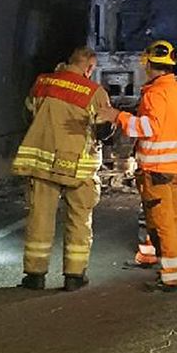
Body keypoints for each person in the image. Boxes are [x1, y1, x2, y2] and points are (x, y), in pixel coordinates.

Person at [98, 40, 177, 292]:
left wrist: (117, 116)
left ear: (148, 64)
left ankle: (171, 278)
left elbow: (148, 128)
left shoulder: (154, 94)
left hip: (157, 171)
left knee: (162, 223)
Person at [12, 47, 111, 291]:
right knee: (79, 219)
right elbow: (104, 130)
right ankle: (74, 277)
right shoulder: (94, 92)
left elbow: (27, 114)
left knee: (40, 218)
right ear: (89, 67)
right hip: (78, 167)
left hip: (42, 163)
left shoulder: (42, 82)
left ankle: (35, 276)